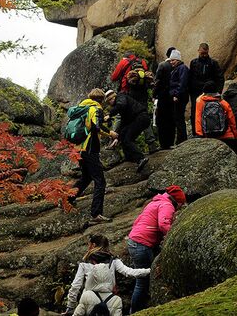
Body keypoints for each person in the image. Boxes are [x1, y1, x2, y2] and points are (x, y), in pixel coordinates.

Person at [127, 186, 187, 313]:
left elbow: (138, 221)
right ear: (177, 201)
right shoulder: (167, 205)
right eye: (181, 204)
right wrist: (174, 236)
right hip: (141, 244)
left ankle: (137, 309)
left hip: (135, 241)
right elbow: (163, 224)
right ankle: (136, 311)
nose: (180, 207)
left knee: (141, 279)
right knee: (143, 281)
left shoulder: (155, 202)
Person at [62, 234, 150, 316]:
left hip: (88, 301)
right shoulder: (113, 261)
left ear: (93, 245)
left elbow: (75, 286)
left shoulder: (85, 263)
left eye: (89, 245)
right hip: (110, 302)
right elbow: (129, 272)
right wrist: (149, 270)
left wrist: (70, 306)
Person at [70, 88, 118, 224]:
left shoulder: (82, 108)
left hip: (79, 149)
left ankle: (67, 199)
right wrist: (111, 133)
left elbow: (91, 127)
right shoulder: (95, 109)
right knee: (100, 181)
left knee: (86, 177)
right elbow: (97, 127)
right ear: (101, 100)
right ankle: (96, 214)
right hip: (90, 148)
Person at [105, 90, 151, 172]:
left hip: (141, 117)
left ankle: (140, 158)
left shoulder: (121, 97)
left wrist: (110, 114)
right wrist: (117, 138)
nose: (110, 104)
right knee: (124, 135)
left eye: (109, 102)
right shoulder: (121, 104)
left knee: (128, 139)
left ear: (112, 98)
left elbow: (122, 105)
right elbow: (124, 123)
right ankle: (129, 157)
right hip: (138, 119)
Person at [188, 43, 224, 135]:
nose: (203, 55)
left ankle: (211, 131)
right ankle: (196, 133)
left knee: (210, 111)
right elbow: (190, 77)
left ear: (208, 52)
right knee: (195, 112)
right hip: (196, 92)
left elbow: (220, 77)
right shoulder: (194, 62)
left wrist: (218, 92)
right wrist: (189, 90)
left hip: (210, 92)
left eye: (205, 53)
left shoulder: (213, 63)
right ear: (198, 51)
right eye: (202, 53)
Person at [194, 81, 237, 152]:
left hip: (209, 136)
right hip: (227, 136)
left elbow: (198, 119)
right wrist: (235, 136)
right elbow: (232, 121)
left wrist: (200, 135)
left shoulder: (200, 102)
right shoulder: (223, 102)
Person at [153, 47, 177, 149]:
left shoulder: (162, 65)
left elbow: (157, 81)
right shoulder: (177, 66)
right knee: (171, 120)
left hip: (163, 96)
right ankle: (171, 142)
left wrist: (154, 95)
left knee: (161, 120)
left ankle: (163, 144)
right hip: (173, 97)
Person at [168, 50, 190, 144]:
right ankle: (180, 140)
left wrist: (176, 94)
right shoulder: (177, 68)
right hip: (177, 96)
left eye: (173, 60)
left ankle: (182, 140)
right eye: (170, 60)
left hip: (180, 97)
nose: (171, 62)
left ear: (178, 60)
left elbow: (182, 83)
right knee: (177, 118)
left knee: (179, 118)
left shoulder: (182, 68)